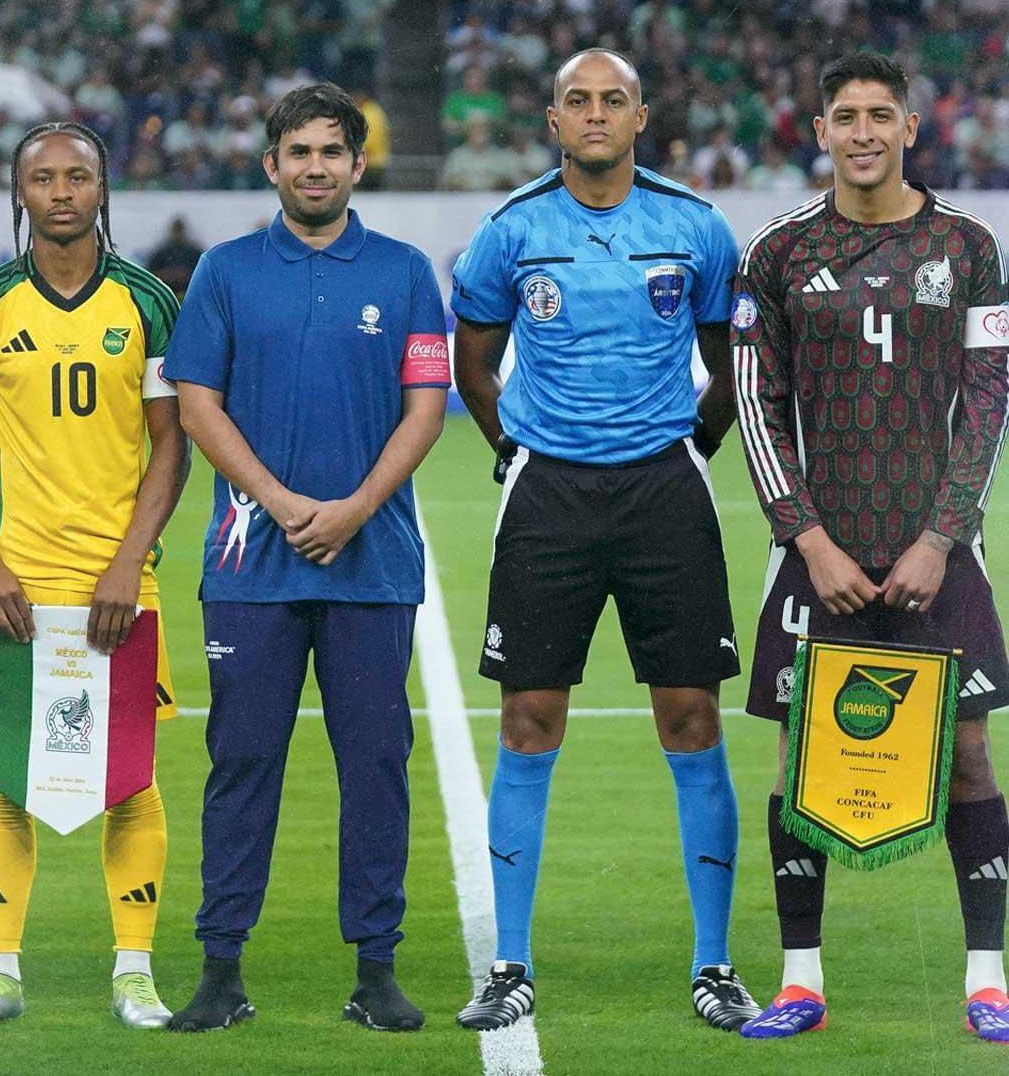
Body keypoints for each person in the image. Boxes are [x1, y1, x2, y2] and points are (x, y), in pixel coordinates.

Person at [451, 48, 761, 1033]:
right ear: (553, 120)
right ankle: (509, 961)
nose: (594, 115)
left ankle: (714, 963)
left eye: (612, 100)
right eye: (577, 101)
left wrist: (690, 449)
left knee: (691, 719)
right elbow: (474, 355)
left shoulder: (696, 227)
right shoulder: (511, 231)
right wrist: (514, 448)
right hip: (549, 495)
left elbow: (725, 358)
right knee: (530, 718)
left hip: (666, 488)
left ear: (639, 118)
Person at [732, 53, 1009, 1041]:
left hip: (940, 556)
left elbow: (988, 398)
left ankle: (989, 978)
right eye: (844, 115)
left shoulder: (968, 246)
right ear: (819, 130)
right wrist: (808, 541)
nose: (861, 132)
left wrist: (943, 536)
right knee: (800, 760)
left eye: (878, 116)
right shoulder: (777, 252)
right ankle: (800, 979)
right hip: (821, 560)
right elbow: (758, 411)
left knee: (969, 755)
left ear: (908, 128)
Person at [163, 82, 449, 1033]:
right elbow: (197, 402)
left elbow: (424, 410)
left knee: (376, 763)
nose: (317, 167)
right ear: (271, 165)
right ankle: (219, 968)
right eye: (300, 153)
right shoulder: (226, 270)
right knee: (242, 760)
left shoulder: (407, 271)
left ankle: (376, 970)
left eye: (334, 151)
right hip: (252, 564)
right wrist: (287, 506)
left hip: (373, 563)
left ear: (358, 164)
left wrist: (358, 507)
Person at [0, 121, 188, 1029]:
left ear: (102, 189)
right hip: (15, 586)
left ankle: (135, 971)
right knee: (2, 780)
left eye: (76, 176)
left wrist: (128, 562)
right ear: (20, 194)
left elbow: (173, 447)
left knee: (131, 779)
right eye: (42, 178)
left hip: (121, 589)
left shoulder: (150, 303)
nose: (61, 191)